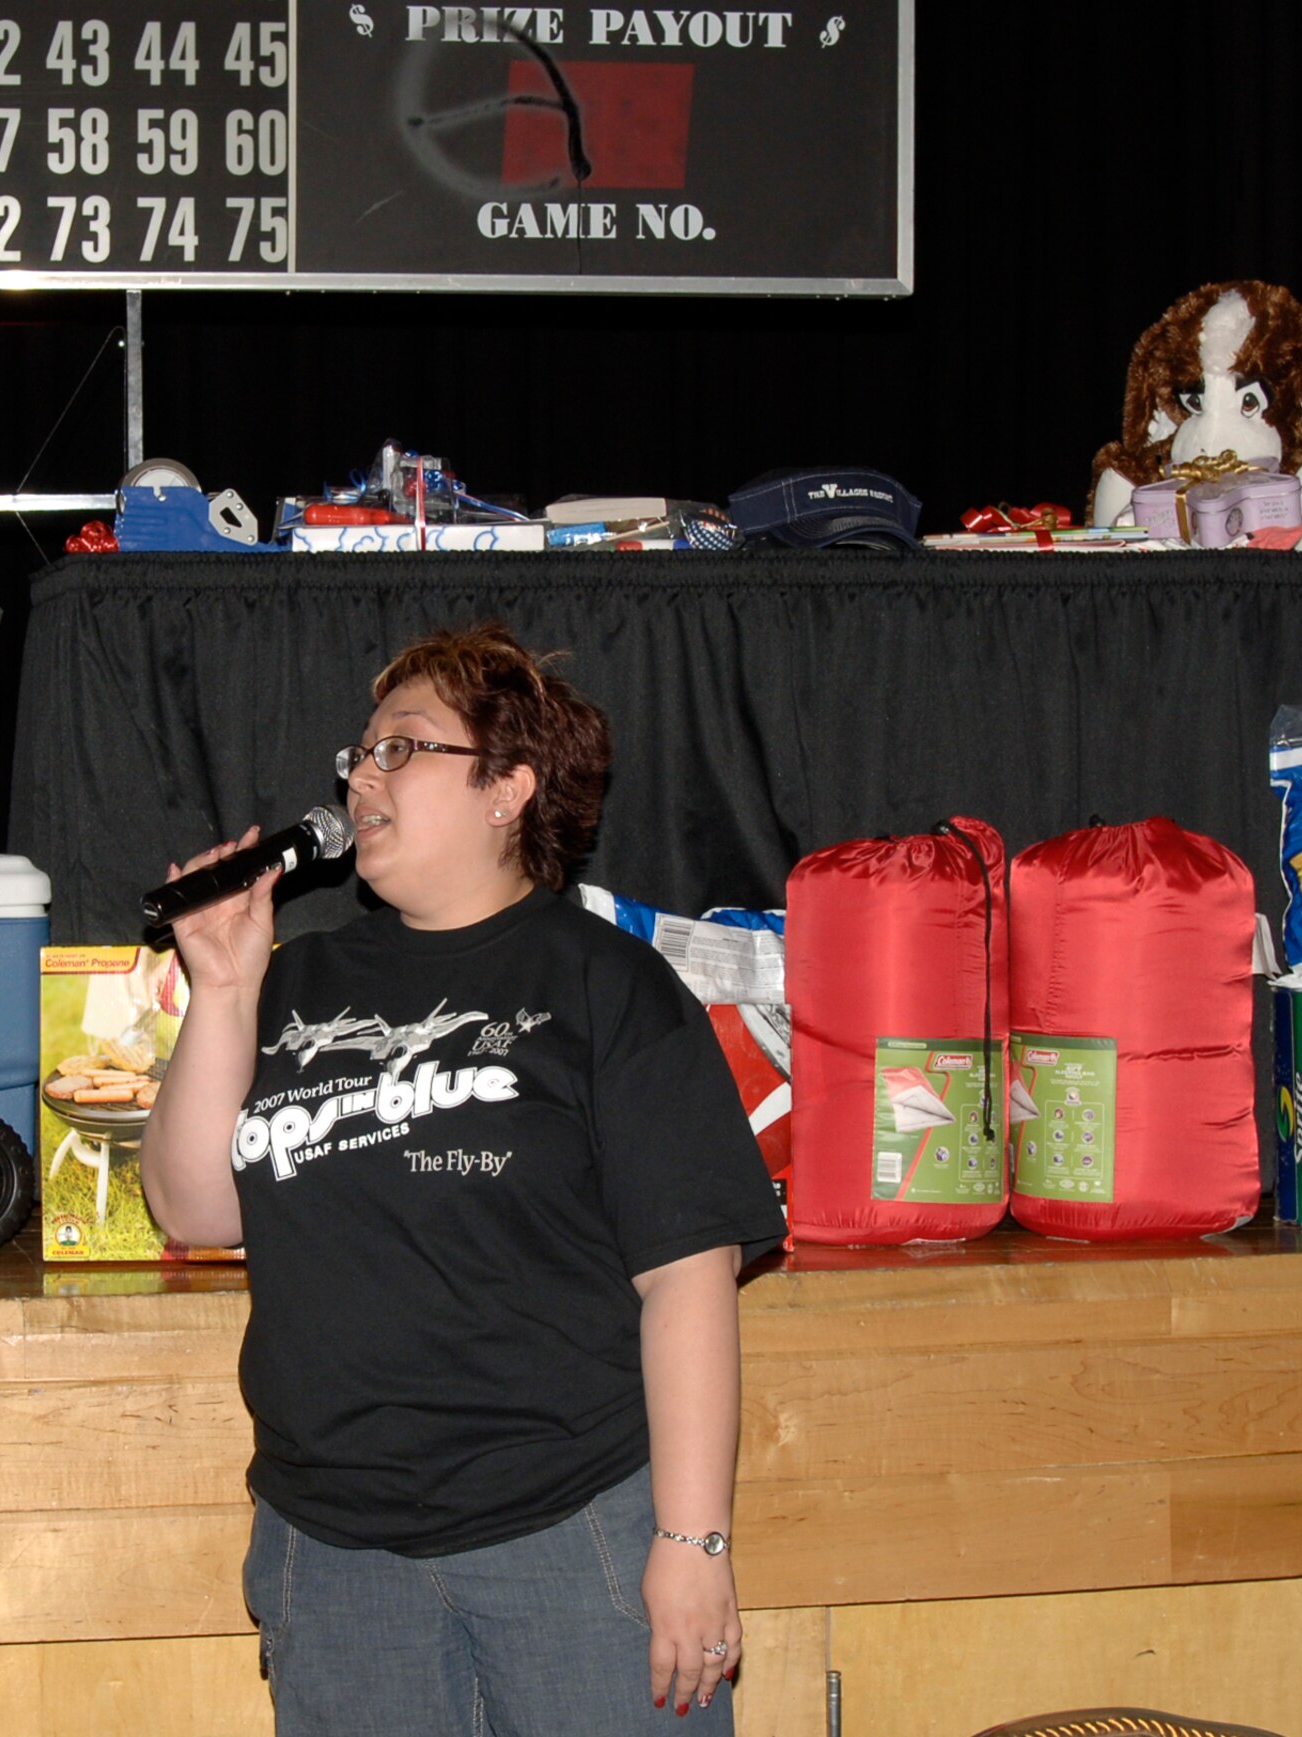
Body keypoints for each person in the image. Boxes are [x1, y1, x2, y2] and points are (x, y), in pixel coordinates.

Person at [141, 622, 787, 1736]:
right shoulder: (299, 983)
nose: (358, 773)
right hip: (332, 1551)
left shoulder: (605, 985)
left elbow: (688, 1277)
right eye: (355, 753)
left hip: (568, 1529)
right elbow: (192, 1206)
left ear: (508, 788)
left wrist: (690, 1543)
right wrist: (226, 987)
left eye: (401, 746)